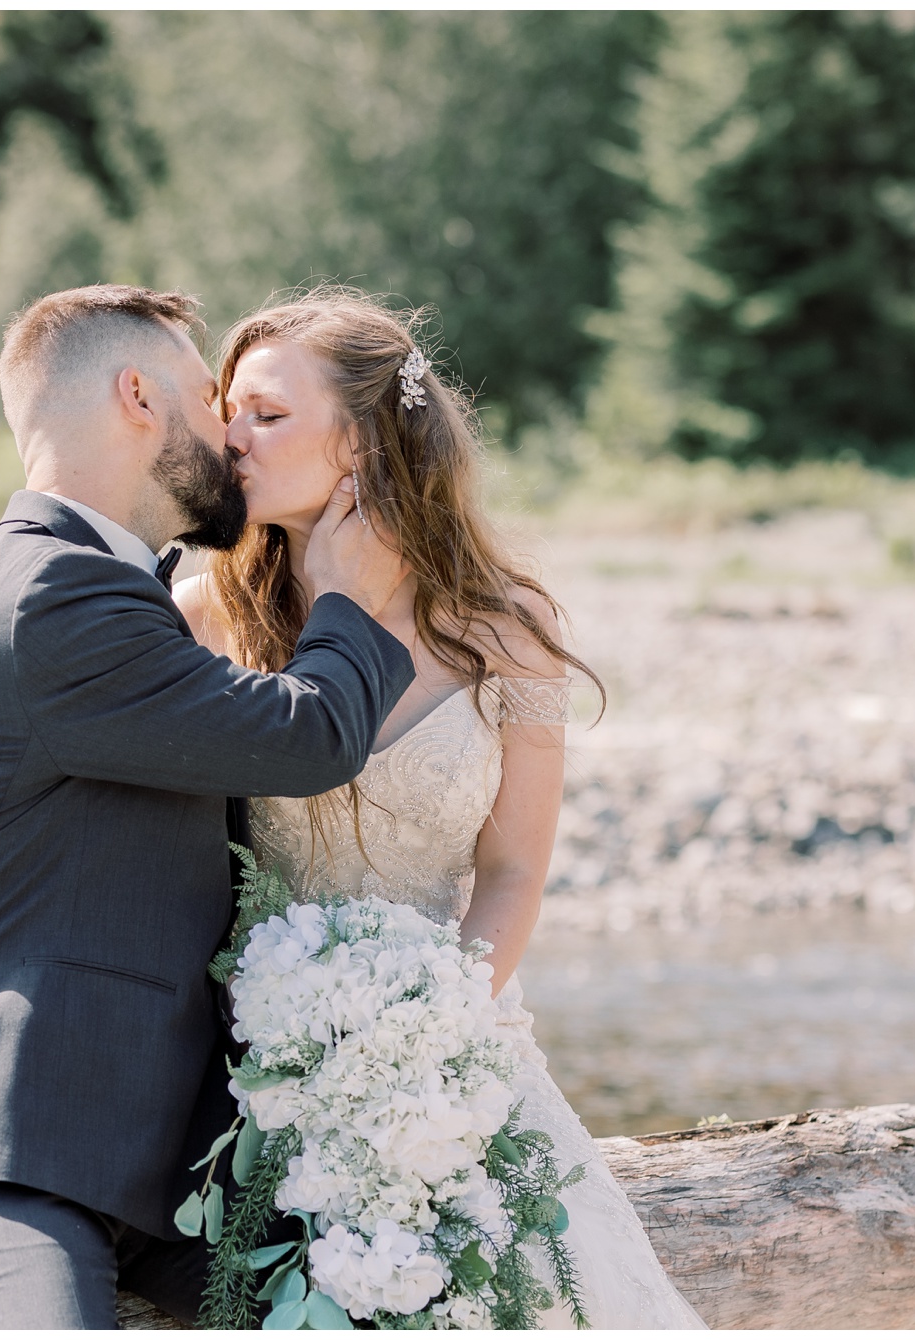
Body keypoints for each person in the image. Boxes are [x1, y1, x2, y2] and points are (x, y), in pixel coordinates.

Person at [0, 284, 416, 1329]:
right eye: (210, 399)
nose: (230, 435)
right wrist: (344, 588)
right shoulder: (50, 594)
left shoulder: (119, 590)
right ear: (137, 399)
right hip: (5, 1152)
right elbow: (309, 736)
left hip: (162, 1168)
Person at [175, 287, 709, 1328]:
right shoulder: (200, 618)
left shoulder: (508, 624)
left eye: (267, 414)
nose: (228, 438)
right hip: (255, 1077)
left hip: (453, 1062)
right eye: (226, 408)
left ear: (365, 442)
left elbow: (511, 872)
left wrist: (435, 1037)